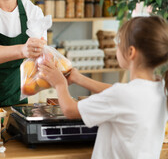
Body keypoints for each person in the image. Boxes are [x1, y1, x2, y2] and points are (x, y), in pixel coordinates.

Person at [38, 16, 168, 159]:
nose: (116, 47)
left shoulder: (123, 95)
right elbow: (118, 92)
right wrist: (79, 79)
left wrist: (59, 84)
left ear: (131, 52)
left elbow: (70, 110)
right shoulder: (160, 88)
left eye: (118, 43)